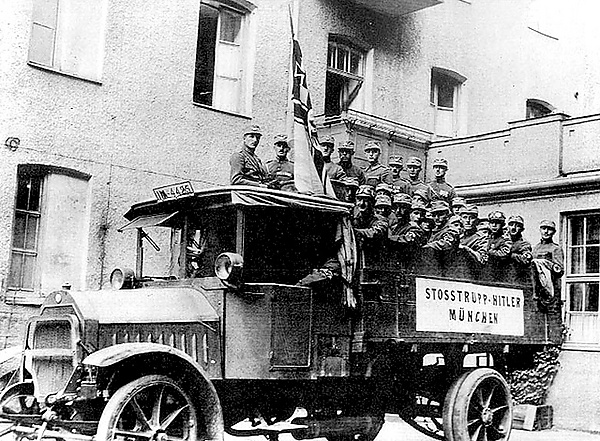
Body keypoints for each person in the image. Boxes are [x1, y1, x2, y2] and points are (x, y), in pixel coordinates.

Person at [532, 220, 564, 308]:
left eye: (549, 229)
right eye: (543, 228)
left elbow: (560, 271)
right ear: (540, 230)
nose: (546, 231)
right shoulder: (536, 248)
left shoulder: (556, 249)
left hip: (550, 291)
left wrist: (545, 264)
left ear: (554, 232)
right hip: (538, 290)